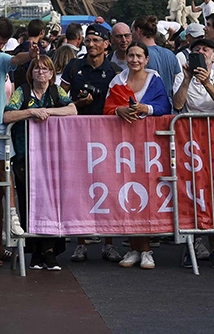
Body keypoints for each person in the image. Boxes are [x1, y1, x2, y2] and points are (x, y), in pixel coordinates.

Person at [3, 54, 76, 270]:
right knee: (28, 201)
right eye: (37, 69)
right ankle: (34, 250)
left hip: (52, 157)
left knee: (52, 201)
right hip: (25, 156)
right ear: (31, 72)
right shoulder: (22, 92)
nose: (40, 72)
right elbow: (7, 115)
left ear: (52, 73)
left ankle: (50, 250)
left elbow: (72, 109)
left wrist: (48, 112)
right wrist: (31, 112)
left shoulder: (55, 91)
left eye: (45, 69)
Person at [105, 42, 172, 269]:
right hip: (123, 146)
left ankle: (146, 249)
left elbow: (164, 105)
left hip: (149, 145)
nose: (134, 59)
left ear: (146, 59)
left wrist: (147, 109)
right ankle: (134, 248)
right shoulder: (117, 81)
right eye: (131, 55)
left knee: (147, 195)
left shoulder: (155, 80)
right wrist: (118, 110)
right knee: (127, 195)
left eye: (139, 56)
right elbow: (107, 107)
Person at [62, 23, 124, 264]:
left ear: (107, 44)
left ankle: (109, 242)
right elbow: (59, 95)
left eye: (96, 40)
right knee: (80, 189)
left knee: (108, 187)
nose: (91, 44)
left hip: (107, 136)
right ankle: (81, 242)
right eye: (88, 40)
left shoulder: (116, 71)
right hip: (79, 134)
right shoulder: (75, 66)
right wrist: (76, 103)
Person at [172, 38, 214, 268]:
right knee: (190, 195)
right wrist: (188, 79)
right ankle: (192, 246)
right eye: (196, 50)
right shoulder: (181, 77)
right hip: (188, 140)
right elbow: (178, 105)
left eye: (205, 50)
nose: (201, 53)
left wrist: (207, 83)